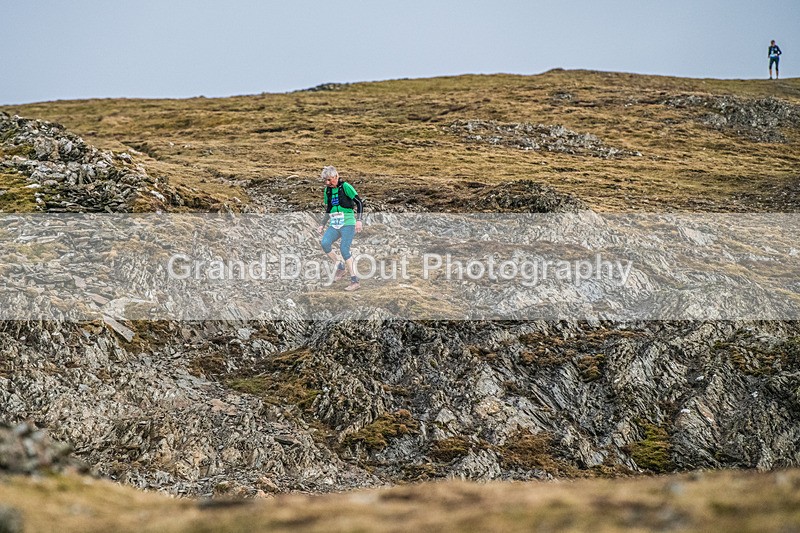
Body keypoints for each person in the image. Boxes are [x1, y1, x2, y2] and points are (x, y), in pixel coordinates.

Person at [317, 166, 364, 291]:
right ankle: (340, 267)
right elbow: (329, 209)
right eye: (325, 181)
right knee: (325, 243)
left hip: (348, 223)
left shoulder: (346, 187)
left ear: (336, 176)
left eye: (329, 180)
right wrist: (322, 223)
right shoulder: (327, 191)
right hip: (335, 223)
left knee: (344, 249)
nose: (327, 183)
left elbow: (359, 203)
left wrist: (359, 220)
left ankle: (355, 281)